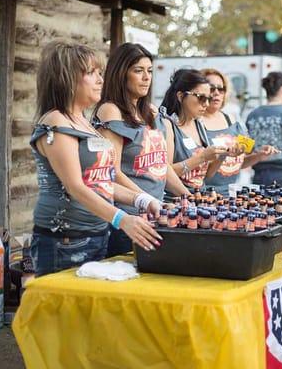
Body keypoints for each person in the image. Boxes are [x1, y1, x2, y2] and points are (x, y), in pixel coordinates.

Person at [30, 41, 161, 276]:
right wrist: (123, 220)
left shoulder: (83, 121)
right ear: (67, 78)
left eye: (100, 73)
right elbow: (75, 187)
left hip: (97, 233)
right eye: (92, 73)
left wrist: (143, 200)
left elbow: (101, 182)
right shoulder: (56, 121)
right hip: (66, 241)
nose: (101, 79)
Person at [92, 43, 190, 257]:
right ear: (121, 74)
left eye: (150, 71)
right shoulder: (111, 110)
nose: (147, 77)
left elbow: (161, 165)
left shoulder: (151, 112)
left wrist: (188, 196)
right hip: (126, 219)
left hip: (155, 215)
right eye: (138, 71)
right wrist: (147, 200)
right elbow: (112, 172)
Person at [200, 68, 278, 195]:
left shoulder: (232, 120)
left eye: (221, 89)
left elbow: (239, 162)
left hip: (231, 194)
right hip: (205, 195)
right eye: (211, 88)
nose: (216, 93)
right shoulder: (196, 122)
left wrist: (259, 155)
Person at [160, 69, 228, 195]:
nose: (206, 104)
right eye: (201, 98)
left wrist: (223, 155)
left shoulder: (199, 123)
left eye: (208, 98)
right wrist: (202, 157)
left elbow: (205, 176)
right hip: (175, 202)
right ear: (181, 96)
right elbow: (164, 172)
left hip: (199, 200)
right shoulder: (167, 125)